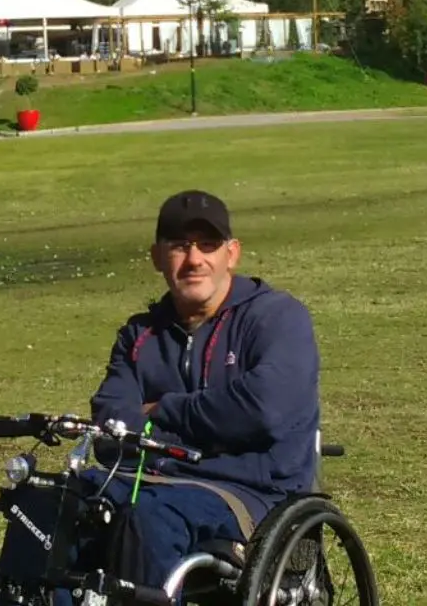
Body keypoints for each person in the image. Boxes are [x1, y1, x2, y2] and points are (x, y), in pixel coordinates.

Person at [88, 191, 322, 595]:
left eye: (208, 245)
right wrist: (213, 422)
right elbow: (110, 428)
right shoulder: (140, 335)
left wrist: (162, 411)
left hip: (249, 492)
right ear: (157, 257)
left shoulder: (277, 318)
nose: (194, 259)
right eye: (179, 246)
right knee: (56, 501)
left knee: (150, 518)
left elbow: (263, 410)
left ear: (232, 254)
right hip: (155, 480)